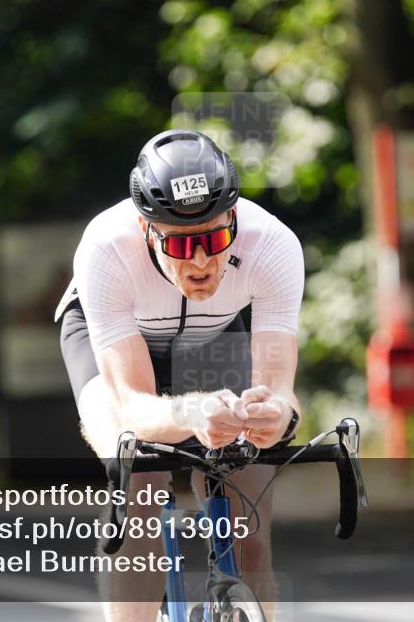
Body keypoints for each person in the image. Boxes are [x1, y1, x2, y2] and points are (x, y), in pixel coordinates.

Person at [55, 129, 304, 622]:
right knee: (138, 473)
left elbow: (281, 393)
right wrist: (192, 412)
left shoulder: (273, 244)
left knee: (249, 491)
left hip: (212, 336)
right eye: (180, 243)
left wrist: (274, 417)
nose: (200, 261)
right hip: (116, 336)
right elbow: (131, 403)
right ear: (147, 230)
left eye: (214, 238)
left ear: (234, 217)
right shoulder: (106, 248)